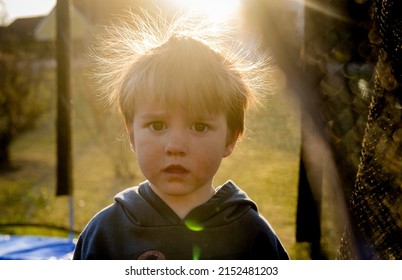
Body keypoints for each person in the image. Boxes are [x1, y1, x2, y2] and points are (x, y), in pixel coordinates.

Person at [73, 10, 289, 260]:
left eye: (198, 127)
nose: (175, 146)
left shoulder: (252, 235)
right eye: (157, 125)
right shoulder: (105, 235)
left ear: (230, 138)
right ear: (131, 134)